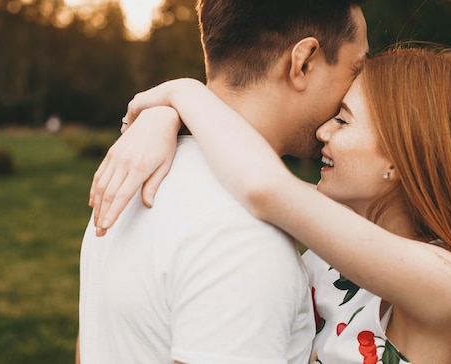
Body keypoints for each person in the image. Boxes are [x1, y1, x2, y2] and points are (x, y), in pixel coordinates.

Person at [90, 45, 451, 363]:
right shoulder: (337, 244)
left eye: (343, 120)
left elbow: (265, 187)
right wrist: (163, 119)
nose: (323, 130)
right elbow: (246, 166)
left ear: (399, 157)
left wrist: (182, 92)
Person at [78, 0, 369, 363]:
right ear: (303, 62)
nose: (358, 88)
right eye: (355, 68)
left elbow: (92, 345)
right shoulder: (246, 236)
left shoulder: (132, 178)